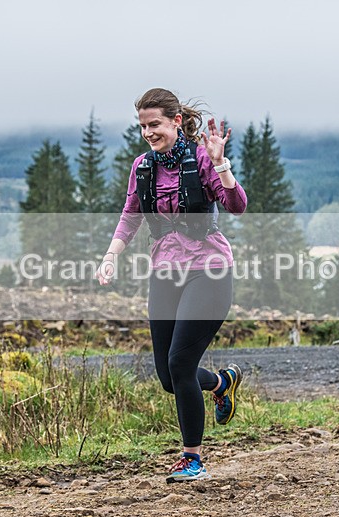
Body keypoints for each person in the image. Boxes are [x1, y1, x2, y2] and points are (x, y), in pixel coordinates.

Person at [97, 88, 247, 482]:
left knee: (181, 363)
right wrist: (111, 254)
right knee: (168, 376)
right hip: (165, 270)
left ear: (176, 121)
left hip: (209, 268)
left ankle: (191, 458)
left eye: (155, 124)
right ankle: (221, 383)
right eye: (143, 126)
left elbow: (237, 206)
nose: (148, 132)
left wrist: (222, 166)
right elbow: (131, 214)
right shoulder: (142, 166)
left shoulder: (202, 158)